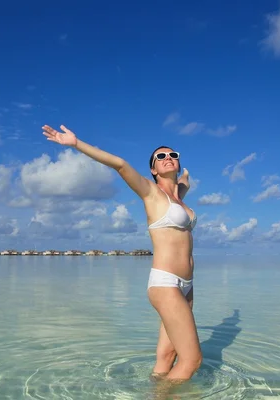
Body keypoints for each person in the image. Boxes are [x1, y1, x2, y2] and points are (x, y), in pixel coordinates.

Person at [42, 124, 202, 383]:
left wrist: (185, 177)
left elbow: (182, 184)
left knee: (167, 355)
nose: (167, 158)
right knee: (192, 361)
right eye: (160, 157)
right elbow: (119, 164)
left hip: (187, 286)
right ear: (153, 169)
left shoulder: (179, 197)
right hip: (166, 283)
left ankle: (155, 392)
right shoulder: (151, 193)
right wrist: (76, 143)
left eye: (173, 154)